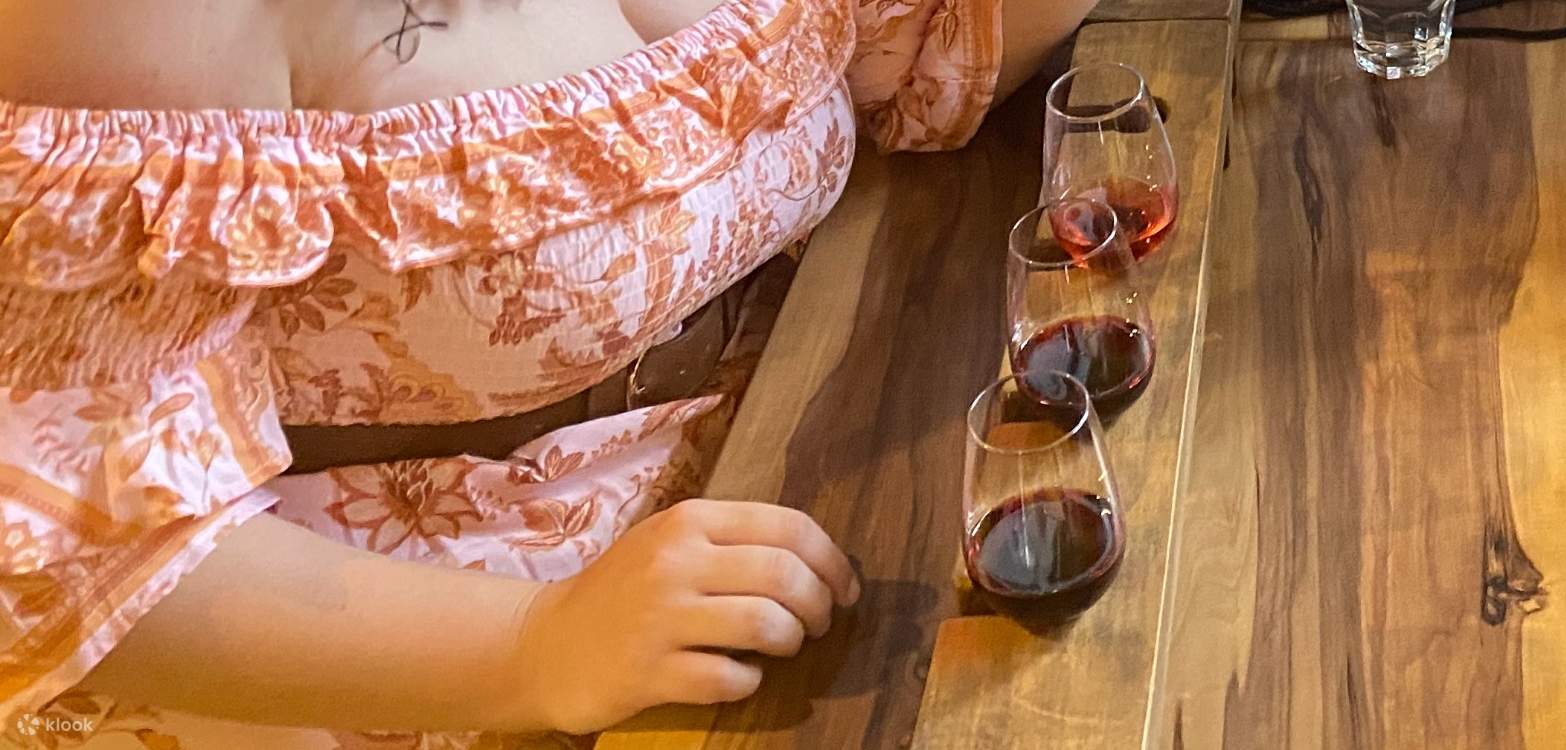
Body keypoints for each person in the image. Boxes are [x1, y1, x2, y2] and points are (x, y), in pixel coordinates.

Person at [0, 0, 1091, 745]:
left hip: (822, 467)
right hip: (440, 672)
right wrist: (539, 646)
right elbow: (64, 550)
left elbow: (905, 76)